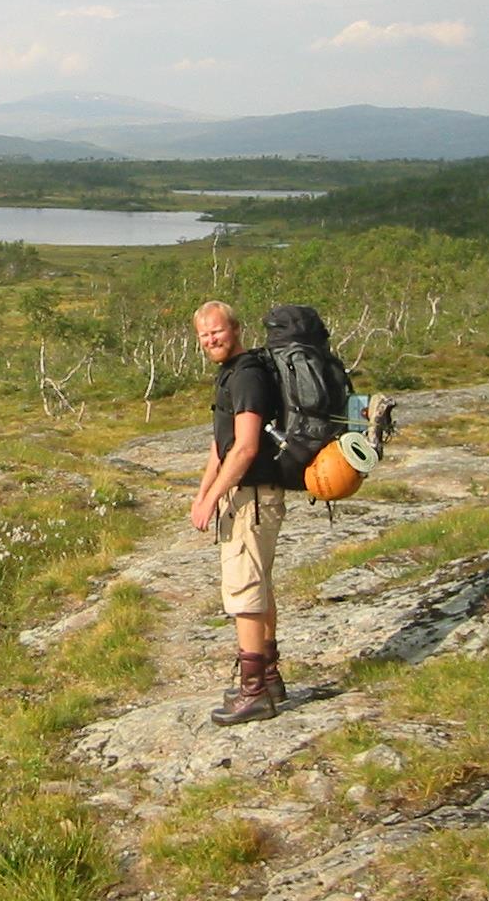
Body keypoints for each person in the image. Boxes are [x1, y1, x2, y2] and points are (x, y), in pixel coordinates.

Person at [191, 300, 286, 725]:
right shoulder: (230, 374)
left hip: (251, 496)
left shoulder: (247, 374)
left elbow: (246, 446)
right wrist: (203, 491)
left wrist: (214, 499)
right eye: (204, 335)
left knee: (245, 589)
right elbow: (222, 442)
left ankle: (253, 694)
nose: (212, 340)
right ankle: (268, 677)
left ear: (235, 329)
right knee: (259, 584)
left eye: (218, 332)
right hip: (245, 493)